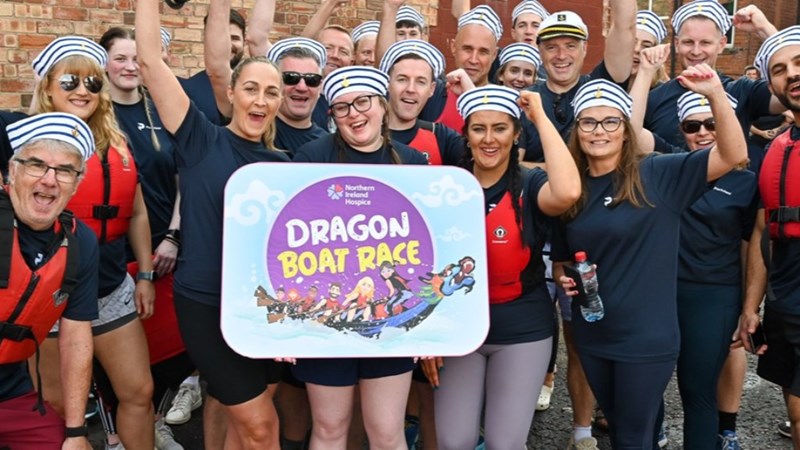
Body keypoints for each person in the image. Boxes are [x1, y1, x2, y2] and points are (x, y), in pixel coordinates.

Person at [553, 74, 747, 449]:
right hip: (593, 335)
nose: (599, 131)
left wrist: (715, 94)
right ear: (577, 131)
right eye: (588, 122)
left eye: (610, 121)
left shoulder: (659, 173)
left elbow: (733, 155)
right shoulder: (571, 189)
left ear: (626, 131)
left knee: (633, 438)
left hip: (645, 338)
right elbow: (561, 261)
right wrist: (564, 278)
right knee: (621, 434)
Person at [136, 0, 291, 447]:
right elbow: (150, 61)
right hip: (206, 305)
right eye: (251, 89)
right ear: (232, 92)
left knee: (245, 419)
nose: (260, 100)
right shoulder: (201, 138)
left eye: (271, 92)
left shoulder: (284, 165)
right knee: (262, 427)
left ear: (279, 103)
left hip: (264, 309)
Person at [420, 84, 579, 449]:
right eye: (479, 129)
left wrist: (540, 116)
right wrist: (427, 338)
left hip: (522, 329)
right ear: (466, 135)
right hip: (461, 332)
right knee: (453, 441)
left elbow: (569, 192)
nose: (489, 139)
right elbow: (425, 266)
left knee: (504, 443)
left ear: (516, 133)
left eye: (500, 128)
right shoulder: (447, 186)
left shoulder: (530, 183)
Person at [26, 36, 156, 450]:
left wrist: (145, 275)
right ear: (48, 87)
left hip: (110, 284)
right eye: (70, 81)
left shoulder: (117, 144)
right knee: (54, 403)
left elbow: (137, 213)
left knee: (139, 391)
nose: (83, 90)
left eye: (93, 83)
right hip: (49, 291)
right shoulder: (23, 147)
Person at [291, 66, 426, 449]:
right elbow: (288, 243)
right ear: (333, 115)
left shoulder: (412, 163)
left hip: (391, 321)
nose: (354, 114)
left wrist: (429, 326)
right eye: (342, 107)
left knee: (386, 430)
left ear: (383, 106)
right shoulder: (311, 158)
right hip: (328, 319)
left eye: (363, 102)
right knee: (330, 428)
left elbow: (427, 248)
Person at [631, 45, 756, 450]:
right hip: (661, 293)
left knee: (697, 391)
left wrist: (748, 308)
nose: (702, 132)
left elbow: (751, 249)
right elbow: (631, 135)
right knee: (647, 385)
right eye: (691, 125)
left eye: (711, 123)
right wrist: (645, 74)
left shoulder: (746, 181)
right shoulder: (669, 165)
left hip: (713, 295)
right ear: (681, 131)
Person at [100, 26, 193, 450]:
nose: (129, 66)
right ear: (104, 63)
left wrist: (173, 235)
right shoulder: (94, 114)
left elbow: (184, 177)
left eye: (137, 58)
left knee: (171, 351)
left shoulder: (162, 110)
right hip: (109, 255)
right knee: (115, 357)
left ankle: (154, 423)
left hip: (163, 250)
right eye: (120, 58)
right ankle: (117, 435)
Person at [0, 113, 98, 450]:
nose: (49, 180)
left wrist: (76, 432)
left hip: (11, 393)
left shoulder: (80, 243)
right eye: (36, 165)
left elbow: (76, 338)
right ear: (12, 170)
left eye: (65, 170)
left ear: (77, 183)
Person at [740, 25, 800, 450]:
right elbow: (764, 230)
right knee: (795, 412)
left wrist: (764, 25)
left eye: (799, 63)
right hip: (786, 290)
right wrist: (751, 307)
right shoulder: (777, 149)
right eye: (779, 70)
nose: (791, 74)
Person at [643, 1, 780, 169]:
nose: (696, 51)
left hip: (734, 184)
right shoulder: (655, 98)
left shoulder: (741, 90)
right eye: (688, 42)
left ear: (721, 44)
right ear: (677, 44)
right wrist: (644, 72)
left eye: (705, 43)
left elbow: (792, 92)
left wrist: (765, 29)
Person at [378, 39, 464, 166]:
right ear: (388, 83)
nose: (411, 89)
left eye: (420, 82)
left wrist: (469, 92)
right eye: (402, 79)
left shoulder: (442, 138)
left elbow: (484, 157)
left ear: (432, 89)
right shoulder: (364, 134)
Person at [178, 8, 246, 125]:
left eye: (234, 38)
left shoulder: (256, 89)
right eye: (221, 38)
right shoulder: (187, 90)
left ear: (244, 42)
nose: (228, 45)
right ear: (207, 40)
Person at [265, 38, 329, 157]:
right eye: (291, 78)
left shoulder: (330, 146)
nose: (301, 87)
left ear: (320, 87)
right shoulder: (255, 131)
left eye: (311, 79)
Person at [630, 10, 668, 91]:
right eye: (632, 42)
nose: (637, 49)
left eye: (646, 46)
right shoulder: (605, 80)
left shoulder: (662, 92)